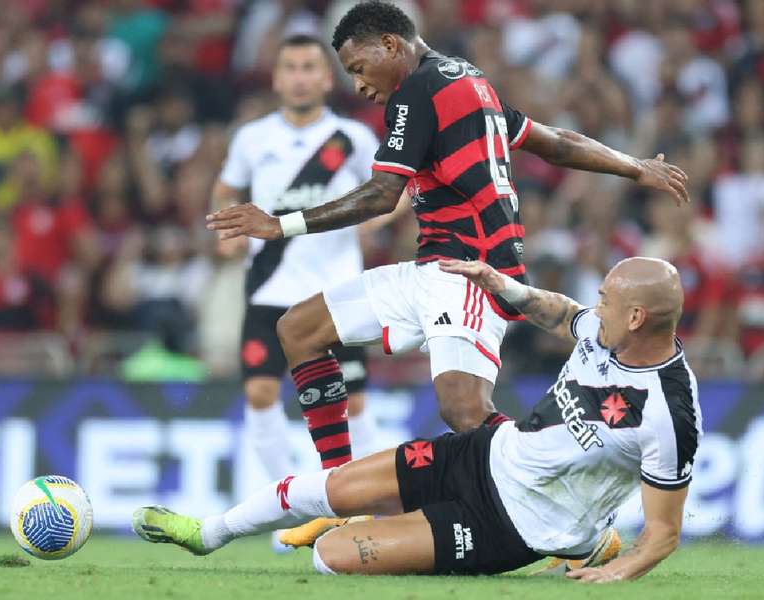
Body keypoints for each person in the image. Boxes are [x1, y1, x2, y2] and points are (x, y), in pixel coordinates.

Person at [205, 0, 690, 535]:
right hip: (432, 268)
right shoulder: (467, 82)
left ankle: (566, 517)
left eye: (358, 68)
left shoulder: (418, 92)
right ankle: (340, 495)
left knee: (465, 414)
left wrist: (281, 224)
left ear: (390, 45)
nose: (359, 85)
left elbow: (382, 195)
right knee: (299, 328)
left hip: (470, 272)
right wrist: (632, 166)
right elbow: (553, 143)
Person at [133, 256, 701, 581]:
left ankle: (587, 543)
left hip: (513, 526)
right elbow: (562, 312)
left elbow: (663, 533)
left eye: (605, 300)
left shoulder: (669, 410)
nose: (593, 307)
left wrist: (621, 571)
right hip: (485, 452)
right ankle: (207, 534)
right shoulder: (603, 334)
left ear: (636, 315)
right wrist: (503, 287)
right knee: (329, 491)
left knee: (331, 558)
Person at [209, 34, 387, 546]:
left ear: (326, 78)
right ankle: (286, 502)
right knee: (260, 393)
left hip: (335, 295)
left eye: (311, 66)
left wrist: (375, 221)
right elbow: (225, 189)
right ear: (277, 78)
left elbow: (393, 192)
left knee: (351, 402)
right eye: (292, 67)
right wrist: (226, 231)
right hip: (269, 287)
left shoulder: (349, 138)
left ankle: (362, 506)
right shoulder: (252, 138)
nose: (301, 76)